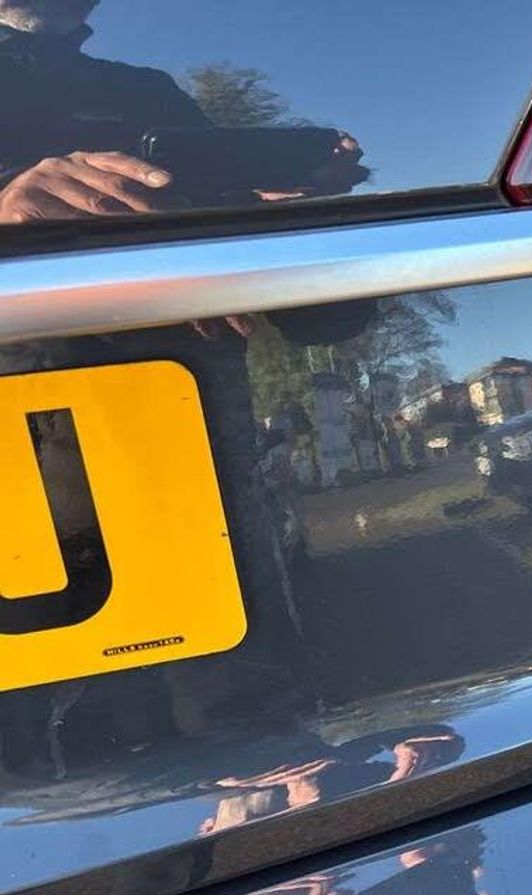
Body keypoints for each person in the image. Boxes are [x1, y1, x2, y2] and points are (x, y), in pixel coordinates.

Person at [0, 0, 373, 779]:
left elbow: (325, 319)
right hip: (29, 485)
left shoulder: (149, 94)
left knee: (258, 746)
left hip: (197, 480)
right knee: (41, 768)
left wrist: (292, 227)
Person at [0, 0, 365, 222]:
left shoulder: (147, 88)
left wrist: (270, 211)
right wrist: (8, 207)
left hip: (185, 313)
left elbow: (323, 323)